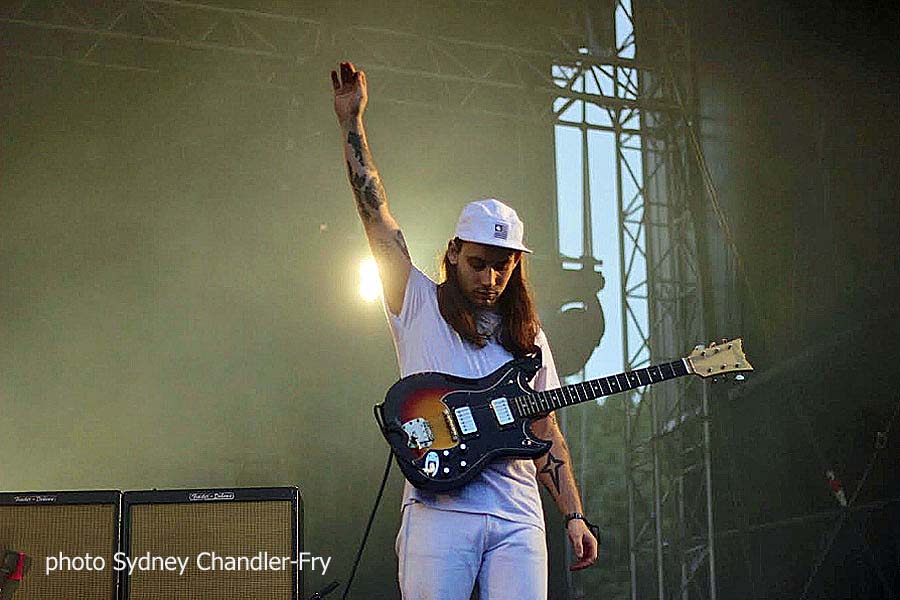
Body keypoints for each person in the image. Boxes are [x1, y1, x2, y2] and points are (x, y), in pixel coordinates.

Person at [331, 61, 598, 600]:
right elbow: (376, 219)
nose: (490, 278)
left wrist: (573, 514)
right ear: (454, 253)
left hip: (518, 515)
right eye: (478, 263)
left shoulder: (529, 336)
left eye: (503, 267)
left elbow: (545, 426)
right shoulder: (417, 301)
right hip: (439, 511)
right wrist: (352, 123)